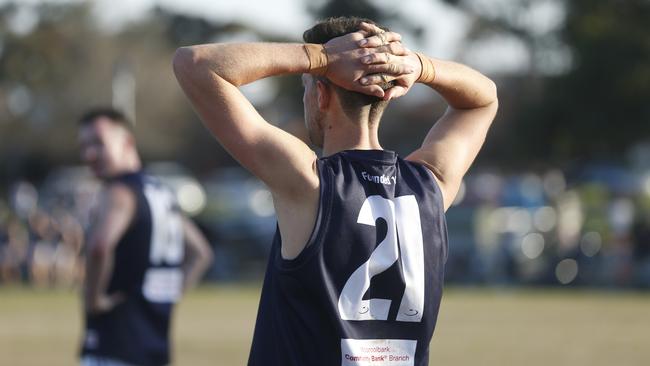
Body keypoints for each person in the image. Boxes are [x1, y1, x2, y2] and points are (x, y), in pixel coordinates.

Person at [173, 16, 497, 366]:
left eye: (306, 88)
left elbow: (193, 64)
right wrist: (417, 65)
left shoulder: (308, 181)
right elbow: (483, 99)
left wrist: (320, 59)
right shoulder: (431, 184)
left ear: (321, 94)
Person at [77, 108, 213, 366]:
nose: (89, 154)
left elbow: (99, 246)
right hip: (155, 349)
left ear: (127, 142)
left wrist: (93, 299)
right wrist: (168, 292)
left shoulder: (119, 192)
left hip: (114, 346)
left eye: (97, 143)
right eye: (84, 146)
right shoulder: (160, 193)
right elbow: (201, 254)